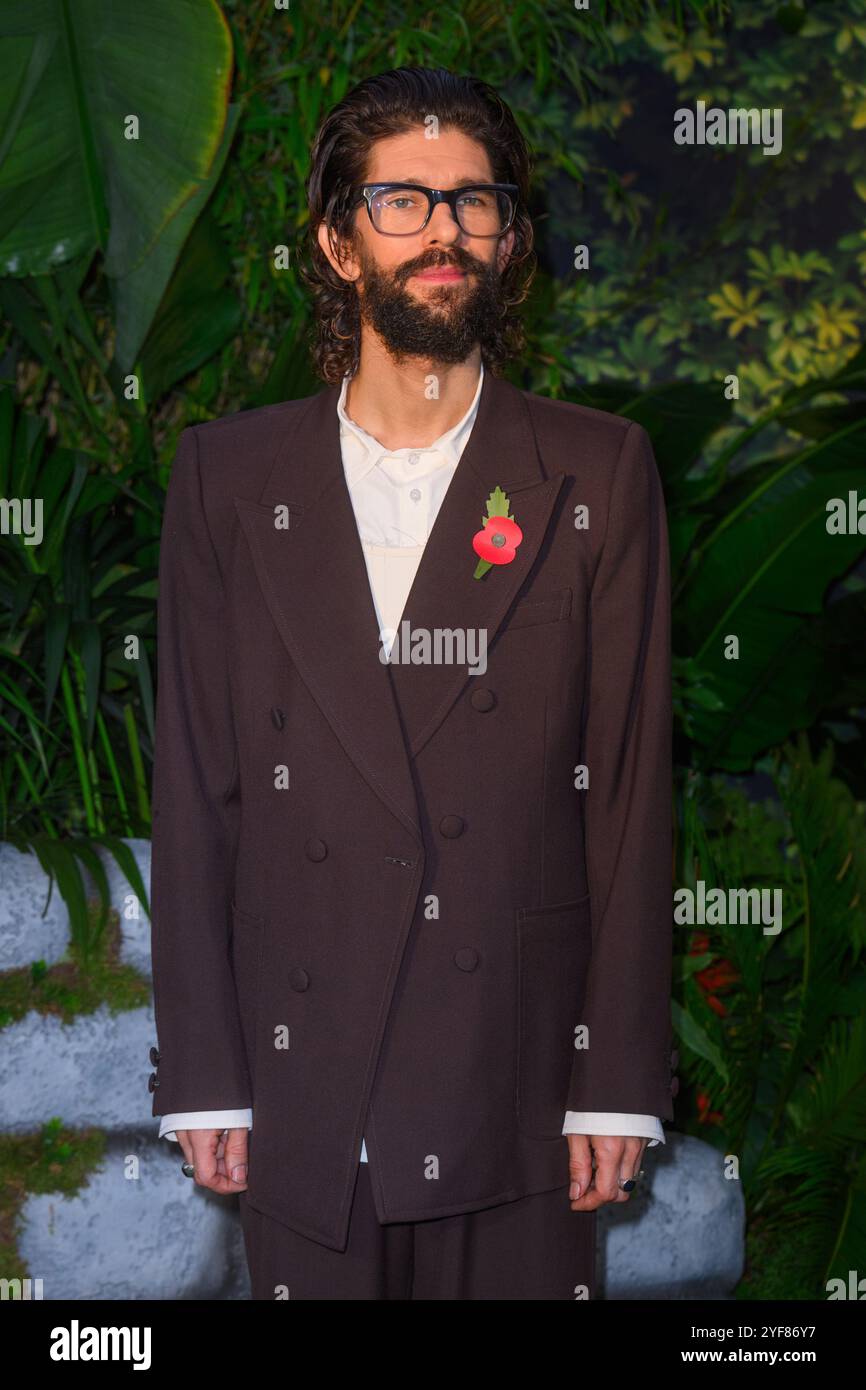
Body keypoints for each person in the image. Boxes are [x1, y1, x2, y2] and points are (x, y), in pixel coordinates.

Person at [148, 65, 677, 1300]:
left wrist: (613, 1075)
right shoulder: (228, 478)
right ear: (338, 243)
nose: (443, 230)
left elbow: (629, 797)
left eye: (472, 202)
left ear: (508, 239)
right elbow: (199, 785)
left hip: (518, 1076)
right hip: (302, 1078)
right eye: (402, 200)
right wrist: (208, 1069)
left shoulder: (595, 473)